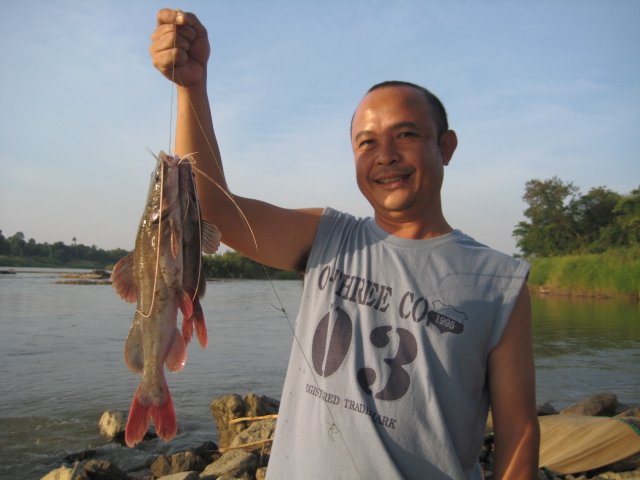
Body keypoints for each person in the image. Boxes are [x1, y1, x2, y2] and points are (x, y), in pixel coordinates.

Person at [150, 9, 540, 479]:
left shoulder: (500, 281)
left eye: (407, 135)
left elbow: (518, 430)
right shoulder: (327, 237)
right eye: (366, 142)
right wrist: (191, 87)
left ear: (447, 146)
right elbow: (210, 210)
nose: (385, 155)